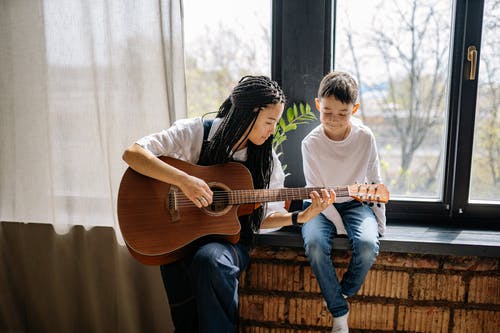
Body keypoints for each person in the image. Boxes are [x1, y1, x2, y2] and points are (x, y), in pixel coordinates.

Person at [122, 75, 336, 333]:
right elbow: (133, 153)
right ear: (248, 114)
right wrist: (183, 180)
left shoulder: (267, 161)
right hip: (179, 236)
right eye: (269, 122)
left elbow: (263, 218)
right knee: (184, 305)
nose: (272, 131)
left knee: (210, 259)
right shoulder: (196, 133)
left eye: (276, 124)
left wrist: (299, 218)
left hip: (230, 244)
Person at [300, 71, 386, 333]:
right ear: (318, 105)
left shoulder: (365, 137)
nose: (334, 120)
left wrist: (379, 223)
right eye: (327, 112)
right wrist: (338, 226)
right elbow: (316, 190)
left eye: (342, 113)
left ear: (355, 109)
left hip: (355, 203)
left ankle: (341, 294)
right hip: (318, 204)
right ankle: (339, 312)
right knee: (315, 245)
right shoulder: (310, 143)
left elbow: (374, 180)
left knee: (368, 245)